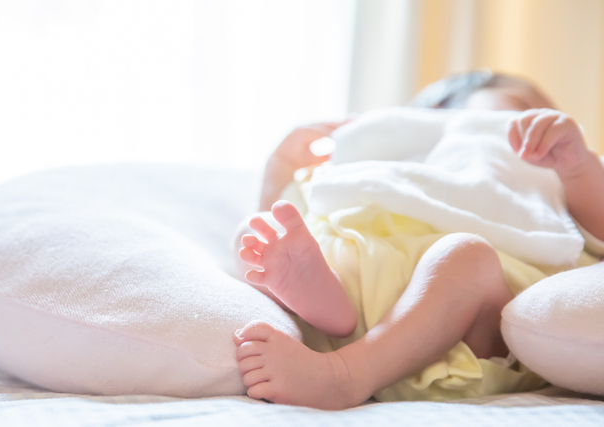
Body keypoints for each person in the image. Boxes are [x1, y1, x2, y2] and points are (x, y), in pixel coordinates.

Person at [232, 71, 604, 409]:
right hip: (359, 277)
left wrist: (578, 166)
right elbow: (289, 214)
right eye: (522, 104)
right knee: (260, 233)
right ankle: (327, 303)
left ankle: (344, 374)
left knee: (466, 255)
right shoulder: (393, 160)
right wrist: (279, 171)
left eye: (530, 108)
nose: (533, 119)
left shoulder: (545, 174)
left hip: (466, 325)